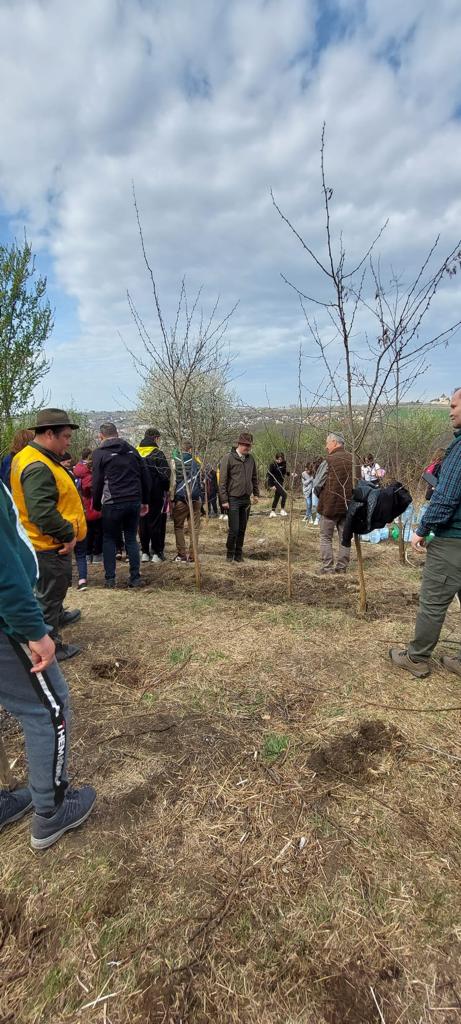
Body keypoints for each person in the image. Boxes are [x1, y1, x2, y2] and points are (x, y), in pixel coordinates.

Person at [0, 479, 96, 849]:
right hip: (7, 626)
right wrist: (32, 630)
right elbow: (4, 571)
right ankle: (52, 810)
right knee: (47, 708)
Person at [390, 388, 461, 679]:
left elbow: (446, 496)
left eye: (455, 405)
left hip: (452, 540)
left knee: (433, 602)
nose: (450, 410)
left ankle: (416, 658)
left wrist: (422, 529)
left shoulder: (459, 448)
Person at [10, 409, 87, 662]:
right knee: (49, 594)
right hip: (48, 545)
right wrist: (67, 534)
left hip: (44, 543)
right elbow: (41, 511)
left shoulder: (35, 457)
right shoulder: (37, 465)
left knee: (53, 592)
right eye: (65, 436)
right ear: (49, 433)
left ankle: (57, 616)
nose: (69, 442)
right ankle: (51, 643)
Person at [92, 423, 150, 589]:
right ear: (117, 433)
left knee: (109, 539)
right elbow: (144, 475)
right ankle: (135, 578)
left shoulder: (99, 453)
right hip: (133, 500)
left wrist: (96, 504)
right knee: (131, 538)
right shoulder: (132, 450)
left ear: (100, 436)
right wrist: (145, 500)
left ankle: (110, 579)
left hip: (112, 502)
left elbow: (96, 482)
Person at [314, 432, 354, 574]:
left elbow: (317, 484)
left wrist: (322, 496)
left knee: (326, 537)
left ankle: (327, 567)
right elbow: (359, 485)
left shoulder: (329, 461)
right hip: (349, 507)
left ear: (335, 443)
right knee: (345, 538)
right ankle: (342, 568)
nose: (326, 447)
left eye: (327, 443)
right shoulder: (354, 460)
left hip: (329, 507)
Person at [219, 432, 259, 563]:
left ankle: (238, 553)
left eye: (249, 445)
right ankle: (229, 554)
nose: (247, 447)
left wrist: (256, 493)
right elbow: (223, 481)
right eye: (245, 445)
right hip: (233, 499)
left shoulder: (251, 459)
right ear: (239, 444)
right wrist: (224, 500)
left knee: (242, 528)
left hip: (246, 499)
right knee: (234, 529)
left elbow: (254, 477)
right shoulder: (228, 458)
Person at [136, 428, 170, 563]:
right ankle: (156, 552)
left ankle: (144, 552)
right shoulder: (158, 454)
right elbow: (165, 476)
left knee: (142, 522)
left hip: (139, 494)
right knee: (155, 522)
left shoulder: (135, 453)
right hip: (156, 494)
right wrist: (166, 489)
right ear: (155, 438)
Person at [73, 450, 103, 589]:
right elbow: (93, 487)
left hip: (83, 506)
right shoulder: (92, 472)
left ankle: (88, 554)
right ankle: (96, 554)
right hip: (93, 504)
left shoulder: (77, 470)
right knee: (98, 531)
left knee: (88, 531)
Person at [170, 442, 203, 563]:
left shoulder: (175, 461)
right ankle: (193, 555)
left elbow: (173, 482)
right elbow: (201, 481)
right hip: (195, 499)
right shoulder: (197, 462)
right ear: (190, 449)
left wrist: (172, 498)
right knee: (194, 528)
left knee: (178, 526)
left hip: (180, 500)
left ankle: (182, 555)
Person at [267, 452, 288, 517]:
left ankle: (272, 511)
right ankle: (282, 510)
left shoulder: (284, 463)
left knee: (277, 497)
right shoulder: (272, 464)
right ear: (276, 459)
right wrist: (271, 485)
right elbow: (269, 475)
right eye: (278, 459)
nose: (279, 461)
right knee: (284, 495)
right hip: (275, 482)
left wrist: (290, 474)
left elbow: (284, 472)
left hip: (280, 482)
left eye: (281, 459)